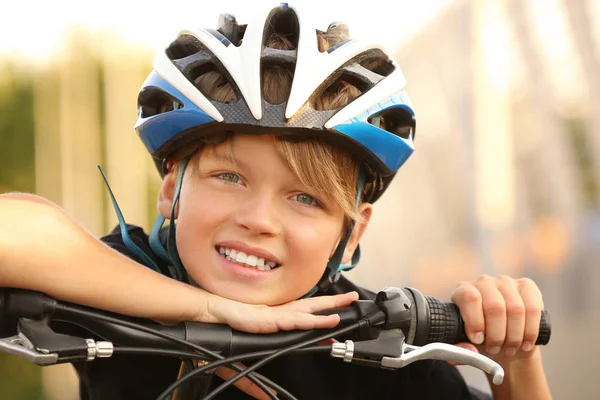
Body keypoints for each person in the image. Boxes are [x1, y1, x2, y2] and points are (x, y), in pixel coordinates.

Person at [0, 3, 551, 399]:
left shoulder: (383, 347)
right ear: (172, 188)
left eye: (306, 199)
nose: (258, 220)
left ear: (352, 232)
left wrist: (517, 362)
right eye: (229, 178)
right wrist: (206, 309)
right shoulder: (124, 284)